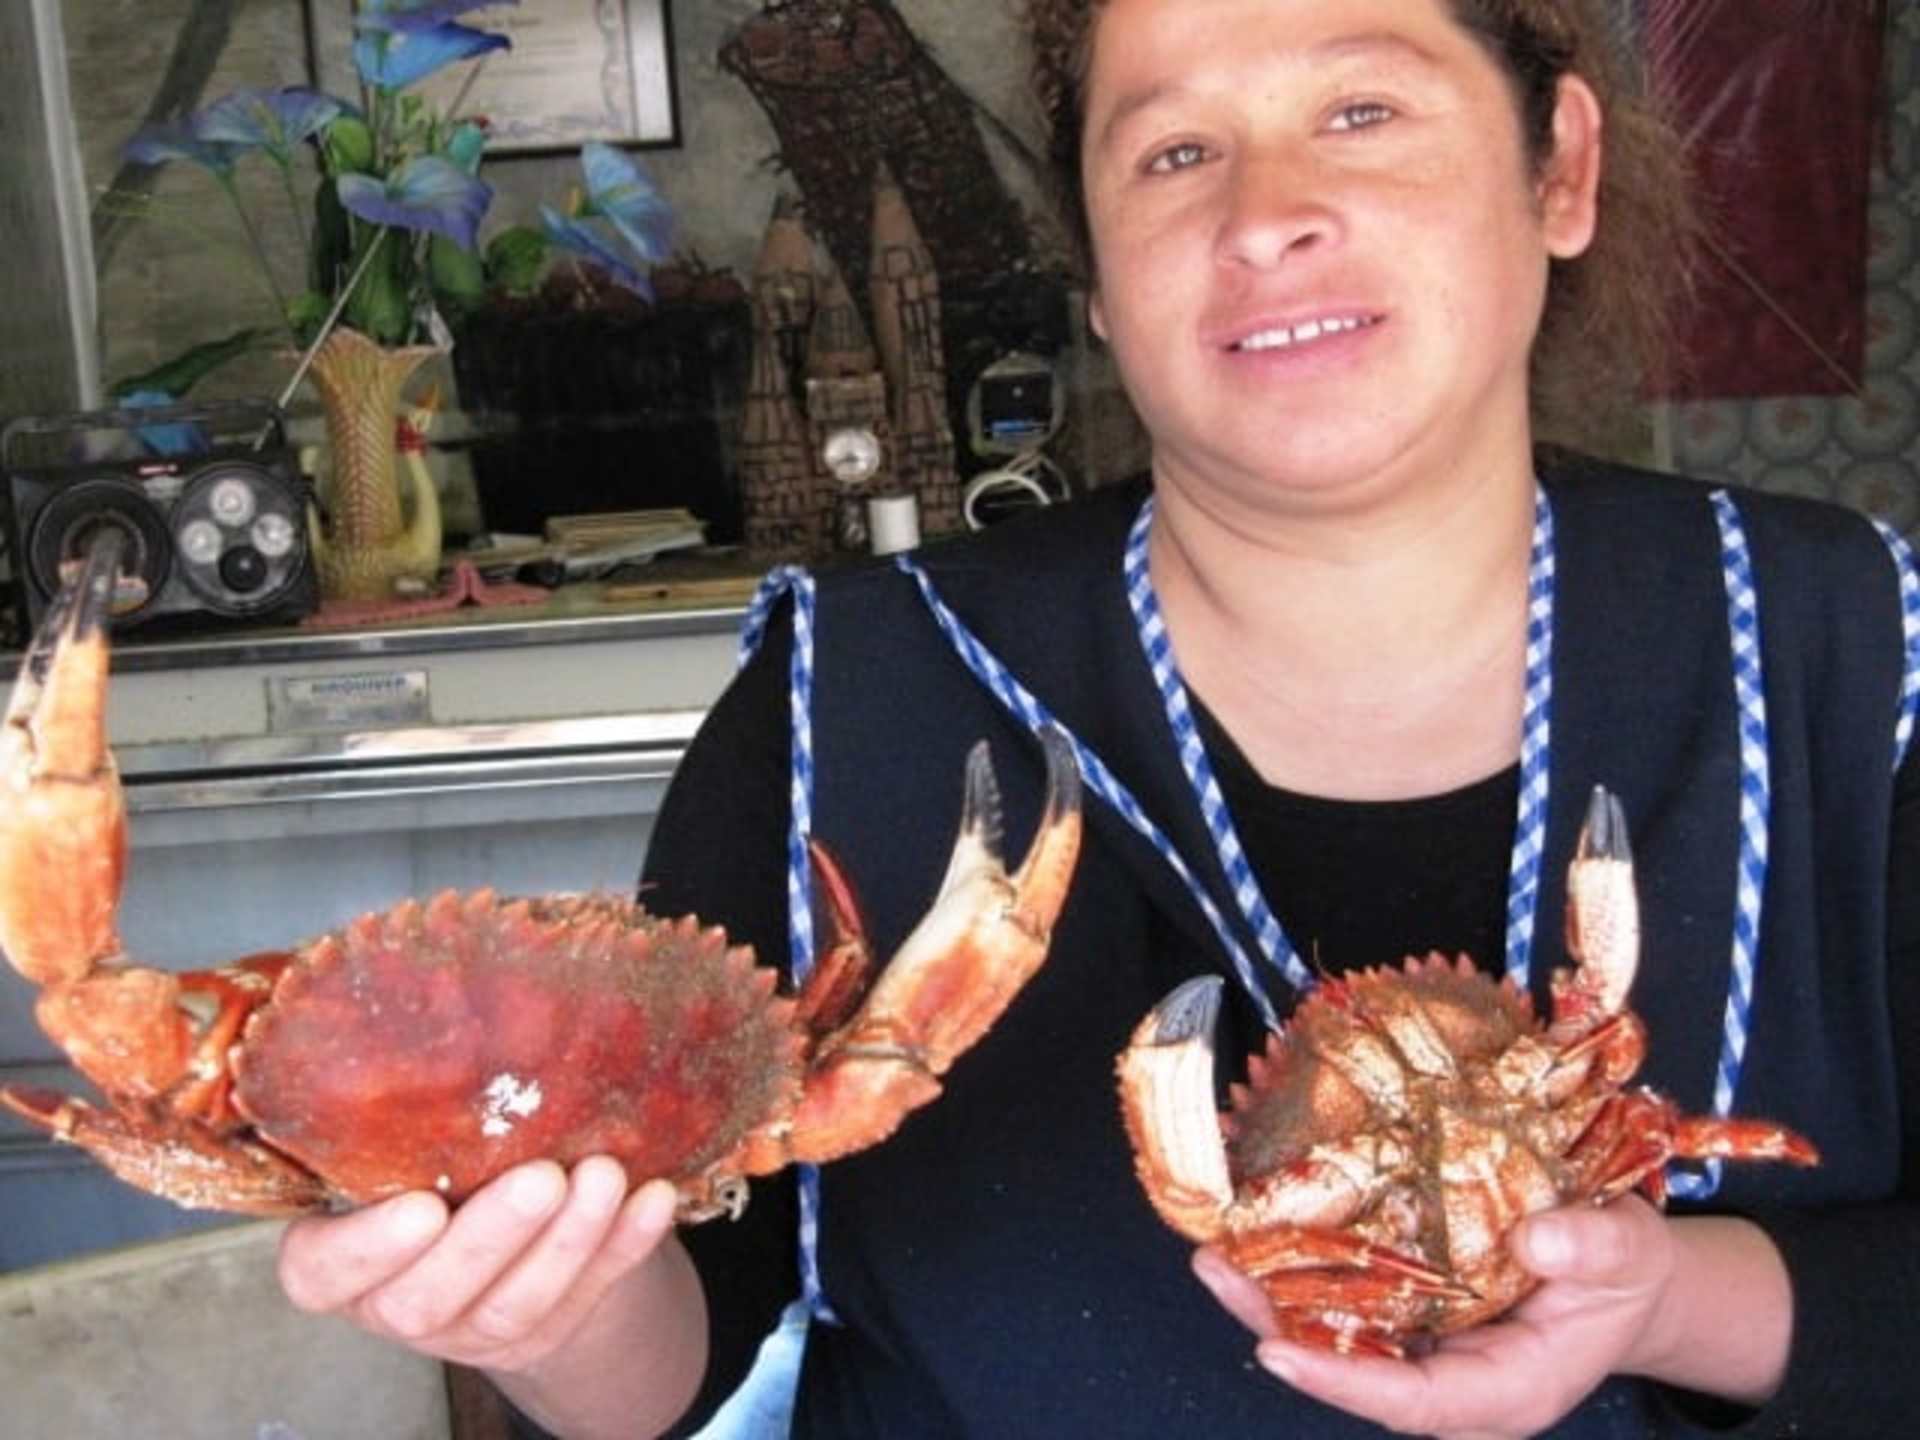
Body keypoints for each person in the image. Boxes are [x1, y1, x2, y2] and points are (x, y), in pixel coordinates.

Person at [274, 1, 1919, 1435]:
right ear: (1104, 281)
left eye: (1362, 109)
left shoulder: (1853, 648)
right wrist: (545, 1318)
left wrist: (1668, 1300)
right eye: (1174, 155)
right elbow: (682, 1341)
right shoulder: (855, 701)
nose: (1269, 216)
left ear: (1556, 166)